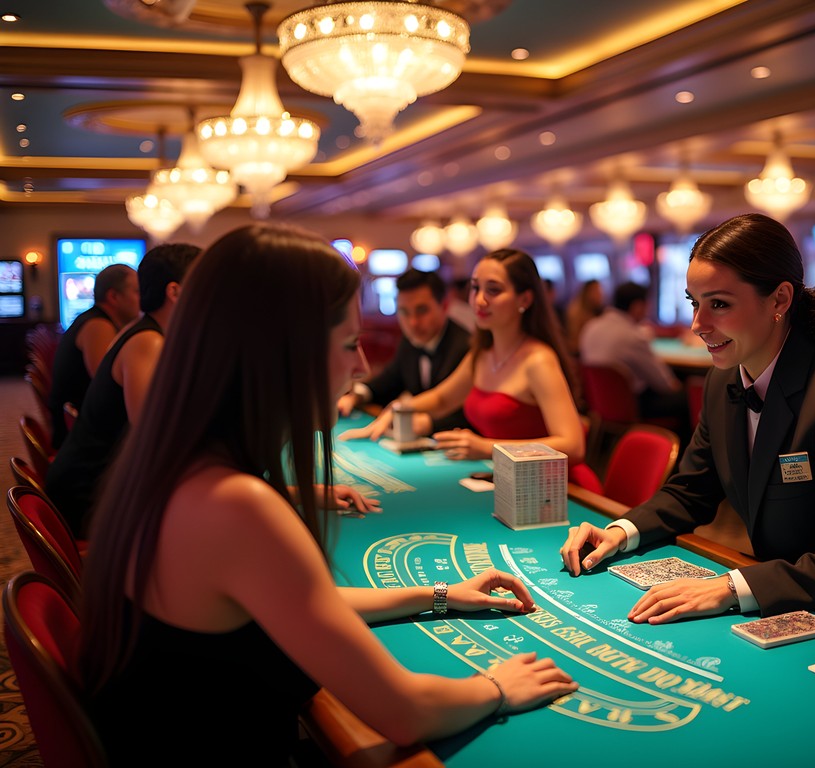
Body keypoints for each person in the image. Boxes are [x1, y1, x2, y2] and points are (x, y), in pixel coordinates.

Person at [77, 224, 577, 765]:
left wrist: (441, 594)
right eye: (349, 344)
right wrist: (497, 687)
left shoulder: (172, 462)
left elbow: (306, 601)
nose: (362, 367)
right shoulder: (234, 505)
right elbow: (405, 709)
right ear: (280, 353)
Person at [560, 213, 815, 624]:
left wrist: (730, 588)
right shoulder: (721, 381)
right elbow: (690, 492)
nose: (698, 325)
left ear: (779, 299)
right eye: (695, 302)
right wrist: (619, 532)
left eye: (719, 304)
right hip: (799, 602)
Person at [341, 248, 601, 492]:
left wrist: (486, 448)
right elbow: (442, 398)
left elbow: (573, 446)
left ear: (525, 299)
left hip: (560, 488)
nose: (479, 300)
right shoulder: (482, 353)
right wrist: (396, 410)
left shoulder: (538, 360)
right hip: (512, 482)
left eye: (494, 290)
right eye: (475, 287)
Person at [45, 243, 200, 537]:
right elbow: (150, 433)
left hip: (99, 481)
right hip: (88, 492)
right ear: (175, 292)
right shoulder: (147, 341)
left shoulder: (147, 331)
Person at [337, 268, 471, 434]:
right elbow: (390, 380)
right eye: (404, 312)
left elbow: (469, 413)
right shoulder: (410, 342)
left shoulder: (466, 346)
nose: (412, 322)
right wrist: (356, 396)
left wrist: (429, 423)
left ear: (444, 306)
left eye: (422, 310)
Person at [47, 264, 140, 448]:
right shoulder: (98, 325)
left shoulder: (94, 320)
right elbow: (106, 387)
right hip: (78, 441)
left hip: (79, 428)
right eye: (136, 291)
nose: (142, 299)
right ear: (113, 297)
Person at [578, 281, 689, 433]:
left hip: (599, 408)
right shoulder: (631, 336)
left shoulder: (590, 327)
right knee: (688, 398)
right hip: (631, 407)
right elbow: (665, 383)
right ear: (637, 306)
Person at [564, 279, 604, 356]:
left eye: (600, 291)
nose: (600, 294)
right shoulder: (576, 311)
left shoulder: (599, 311)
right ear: (587, 292)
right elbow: (574, 341)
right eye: (596, 291)